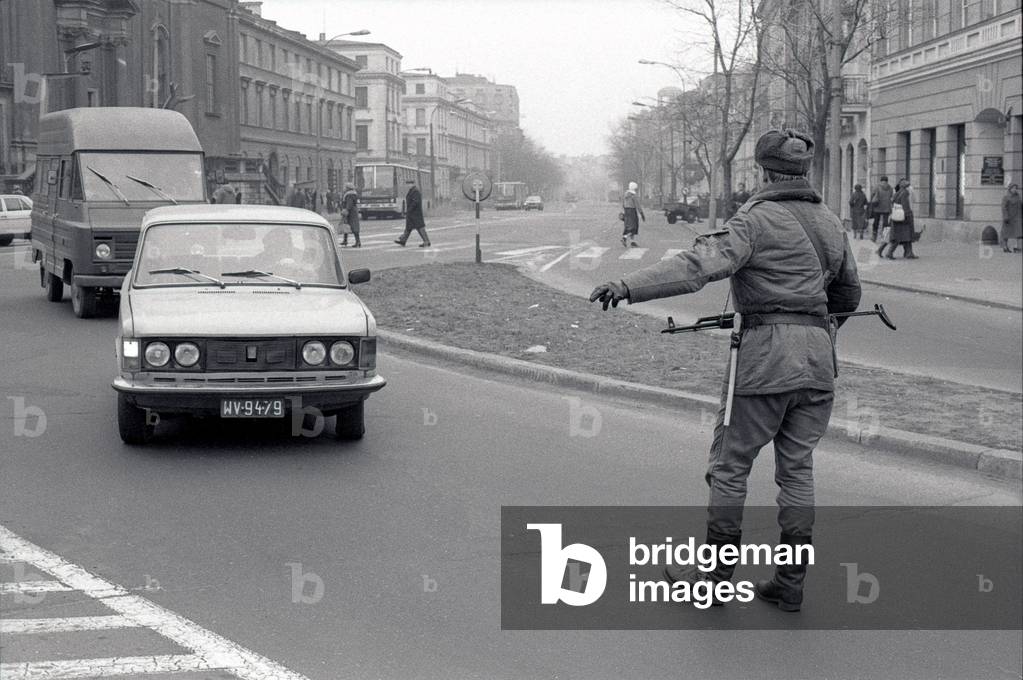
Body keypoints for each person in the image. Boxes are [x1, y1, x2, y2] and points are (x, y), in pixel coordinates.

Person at [590, 128, 861, 612]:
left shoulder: (754, 220)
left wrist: (627, 284)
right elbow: (848, 295)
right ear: (802, 170)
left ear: (763, 170)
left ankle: (712, 578)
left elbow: (697, 267)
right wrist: (814, 326)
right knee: (797, 470)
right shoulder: (830, 221)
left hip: (764, 361)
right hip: (819, 362)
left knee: (730, 467)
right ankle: (790, 581)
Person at [880, 178, 917, 259]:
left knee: (906, 236)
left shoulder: (897, 192)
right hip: (903, 218)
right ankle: (889, 253)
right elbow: (905, 205)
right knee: (899, 237)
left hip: (896, 216)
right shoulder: (905, 193)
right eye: (908, 186)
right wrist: (907, 216)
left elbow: (892, 202)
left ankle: (909, 253)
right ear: (906, 187)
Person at [394, 178, 431, 247]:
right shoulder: (412, 191)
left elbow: (415, 202)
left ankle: (427, 241)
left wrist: (409, 210)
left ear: (413, 184)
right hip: (412, 213)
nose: (408, 185)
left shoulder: (415, 191)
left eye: (409, 184)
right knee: (409, 227)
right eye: (407, 184)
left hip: (415, 213)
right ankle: (403, 240)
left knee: (420, 227)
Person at [869, 176, 893, 242]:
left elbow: (872, 195)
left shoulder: (877, 186)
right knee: (885, 223)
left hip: (877, 207)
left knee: (876, 221)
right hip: (887, 207)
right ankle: (884, 238)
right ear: (887, 181)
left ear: (881, 180)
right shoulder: (890, 188)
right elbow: (891, 196)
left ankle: (874, 236)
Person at [621, 181, 645, 247]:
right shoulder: (633, 195)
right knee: (634, 227)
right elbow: (638, 205)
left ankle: (632, 242)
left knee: (627, 226)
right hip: (632, 211)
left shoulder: (625, 194)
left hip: (626, 211)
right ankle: (624, 238)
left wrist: (624, 211)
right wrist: (642, 214)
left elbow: (623, 204)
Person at [1001, 183, 1022, 253]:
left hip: (1018, 217)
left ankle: (1018, 247)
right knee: (1006, 233)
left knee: (1019, 233)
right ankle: (1005, 247)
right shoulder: (1006, 197)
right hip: (1009, 218)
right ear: (1010, 189)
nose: (1015, 189)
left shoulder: (1018, 197)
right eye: (1013, 188)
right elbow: (1004, 208)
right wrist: (1005, 216)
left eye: (1016, 188)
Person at [340, 182, 361, 248]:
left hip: (350, 212)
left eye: (345, 187)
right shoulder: (352, 193)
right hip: (352, 211)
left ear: (348, 188)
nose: (344, 188)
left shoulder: (349, 195)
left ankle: (358, 242)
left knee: (353, 226)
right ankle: (345, 240)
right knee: (346, 226)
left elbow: (349, 203)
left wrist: (346, 210)